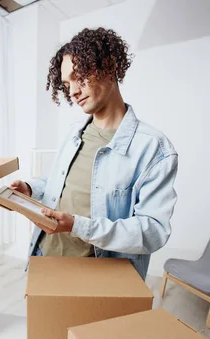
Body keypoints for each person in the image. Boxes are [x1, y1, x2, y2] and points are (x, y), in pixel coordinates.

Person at [9, 27, 178, 280]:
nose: (73, 91)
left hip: (96, 273)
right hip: (45, 255)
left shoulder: (153, 148)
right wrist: (30, 189)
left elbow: (152, 231)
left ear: (108, 67)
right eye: (67, 84)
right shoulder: (74, 132)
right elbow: (59, 184)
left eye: (80, 77)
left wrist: (77, 226)